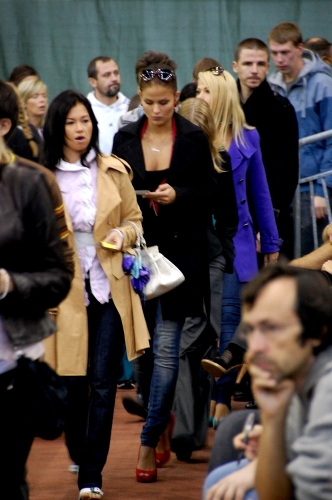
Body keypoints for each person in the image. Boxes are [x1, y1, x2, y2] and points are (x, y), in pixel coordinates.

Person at [43, 89, 150, 499]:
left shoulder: (112, 170)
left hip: (109, 285)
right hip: (65, 288)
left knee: (104, 382)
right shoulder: (44, 176)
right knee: (72, 381)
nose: (79, 129)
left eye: (84, 120)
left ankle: (92, 472)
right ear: (59, 126)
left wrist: (123, 233)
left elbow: (137, 221)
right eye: (70, 122)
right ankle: (78, 449)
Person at [112, 63, 215, 482]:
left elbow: (209, 195)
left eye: (164, 103)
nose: (156, 110)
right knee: (142, 358)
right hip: (135, 256)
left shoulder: (192, 138)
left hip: (179, 259)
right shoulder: (123, 139)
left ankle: (147, 440)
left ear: (177, 99)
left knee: (168, 352)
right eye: (149, 102)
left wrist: (179, 195)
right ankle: (160, 420)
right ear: (140, 97)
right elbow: (113, 194)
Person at [203, 263, 332, 500]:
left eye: (272, 328)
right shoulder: (297, 377)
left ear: (317, 332)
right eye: (252, 330)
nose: (256, 348)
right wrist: (273, 421)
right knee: (219, 473)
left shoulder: (327, 388)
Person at [0, 80, 72, 500]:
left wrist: (10, 284)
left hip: (13, 365)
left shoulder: (29, 184)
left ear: (4, 125)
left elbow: (58, 275)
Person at [197, 66, 281, 422]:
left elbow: (261, 194)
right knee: (206, 325)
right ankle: (195, 407)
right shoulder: (189, 135)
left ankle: (221, 399)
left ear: (220, 96)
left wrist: (272, 243)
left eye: (203, 91)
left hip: (239, 244)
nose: (197, 96)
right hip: (197, 245)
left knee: (230, 321)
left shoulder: (249, 138)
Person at [171, 97, 238, 460]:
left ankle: (185, 431)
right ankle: (189, 433)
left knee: (192, 345)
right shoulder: (167, 161)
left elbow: (228, 212)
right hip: (176, 261)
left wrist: (226, 252)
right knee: (190, 348)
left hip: (210, 259)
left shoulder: (220, 160)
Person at [268, 22, 332, 255]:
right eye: (274, 53)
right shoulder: (271, 87)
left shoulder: (323, 85)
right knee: (284, 258)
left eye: (285, 52)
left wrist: (320, 192)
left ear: (299, 48)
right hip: (281, 190)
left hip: (312, 188)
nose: (280, 59)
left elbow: (331, 140)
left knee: (312, 258)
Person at [233, 37, 299, 258]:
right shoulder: (224, 105)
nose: (254, 70)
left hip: (269, 212)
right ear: (235, 66)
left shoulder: (281, 108)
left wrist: (270, 221)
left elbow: (287, 171)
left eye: (260, 64)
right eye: (248, 64)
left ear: (268, 67)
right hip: (231, 213)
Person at [118, 50, 177, 128]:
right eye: (144, 81)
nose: (156, 110)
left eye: (163, 102)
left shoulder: (186, 116)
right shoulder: (126, 121)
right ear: (139, 90)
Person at [87, 56, 129, 154]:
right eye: (107, 75)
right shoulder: (84, 110)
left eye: (116, 73)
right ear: (93, 82)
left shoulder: (131, 108)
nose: (114, 78)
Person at [7, 82, 43, 163]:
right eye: (35, 96)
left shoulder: (13, 136)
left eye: (44, 95)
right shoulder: (31, 130)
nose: (42, 100)